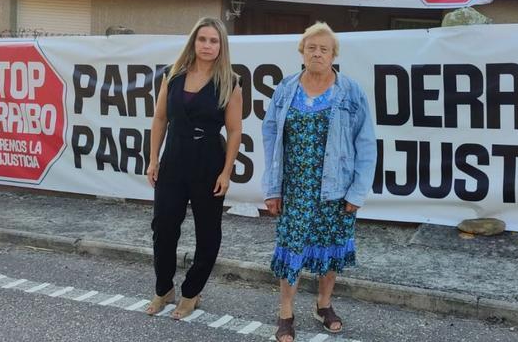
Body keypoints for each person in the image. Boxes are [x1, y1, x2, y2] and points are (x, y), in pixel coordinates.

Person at [261, 22, 376, 342]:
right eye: (311, 47)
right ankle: (286, 313)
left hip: (336, 189)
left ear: (333, 55)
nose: (317, 53)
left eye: (324, 49)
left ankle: (323, 305)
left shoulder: (350, 91)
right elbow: (270, 136)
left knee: (330, 250)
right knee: (290, 250)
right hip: (294, 189)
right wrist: (272, 187)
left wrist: (357, 191)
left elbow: (366, 143)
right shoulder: (286, 89)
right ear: (302, 51)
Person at [144, 17, 242, 319]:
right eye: (203, 39)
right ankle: (164, 289)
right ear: (193, 42)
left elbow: (235, 131)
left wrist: (226, 172)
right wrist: (153, 158)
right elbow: (160, 119)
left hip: (208, 162)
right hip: (173, 159)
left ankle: (192, 291)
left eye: (214, 41)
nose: (208, 45)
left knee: (208, 232)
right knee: (163, 227)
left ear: (221, 46)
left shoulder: (230, 82)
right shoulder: (172, 76)